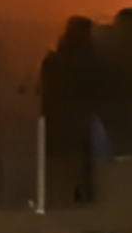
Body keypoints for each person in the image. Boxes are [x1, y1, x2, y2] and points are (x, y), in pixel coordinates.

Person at [41, 17, 99, 206]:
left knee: (59, 191)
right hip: (80, 137)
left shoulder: (53, 62)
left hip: (57, 138)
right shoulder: (92, 63)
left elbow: (45, 96)